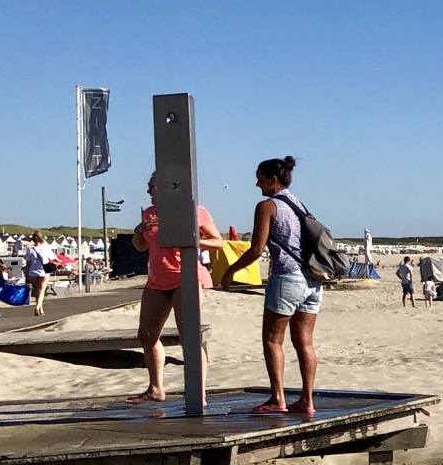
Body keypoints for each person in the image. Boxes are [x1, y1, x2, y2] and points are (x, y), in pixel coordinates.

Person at [216, 156, 324, 418]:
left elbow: (256, 249)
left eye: (260, 178)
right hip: (312, 280)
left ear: (273, 180)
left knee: (273, 340)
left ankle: (278, 398)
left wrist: (230, 272)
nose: (257, 184)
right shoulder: (299, 204)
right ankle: (307, 399)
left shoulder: (267, 206)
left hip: (286, 277)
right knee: (305, 343)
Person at [126, 176, 223, 403]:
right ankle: (156, 388)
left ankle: (198, 392)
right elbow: (140, 247)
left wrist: (191, 240)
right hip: (157, 280)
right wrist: (138, 231)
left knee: (189, 336)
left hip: (186, 277)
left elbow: (218, 242)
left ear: (167, 187)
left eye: (152, 186)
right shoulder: (149, 213)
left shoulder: (193, 211)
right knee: (146, 335)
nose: (148, 191)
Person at [22, 234, 54, 316]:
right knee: (41, 291)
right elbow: (53, 258)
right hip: (43, 272)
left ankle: (41, 310)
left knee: (37, 291)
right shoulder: (46, 248)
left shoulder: (30, 250)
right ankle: (37, 307)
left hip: (32, 272)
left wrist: (26, 272)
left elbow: (28, 263)